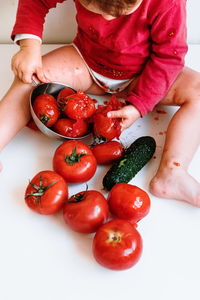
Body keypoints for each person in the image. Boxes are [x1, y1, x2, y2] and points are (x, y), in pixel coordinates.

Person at [1, 0, 200, 206]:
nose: (107, 19)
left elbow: (168, 58)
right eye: (96, 8)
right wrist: (29, 47)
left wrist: (140, 103)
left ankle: (172, 172)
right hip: (86, 63)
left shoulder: (169, 3)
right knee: (29, 78)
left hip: (145, 75)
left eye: (119, 13)